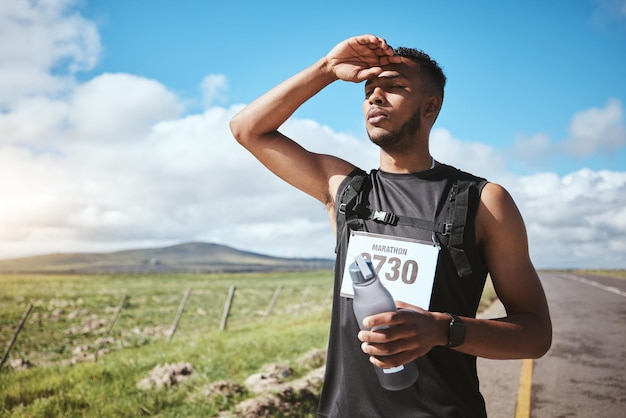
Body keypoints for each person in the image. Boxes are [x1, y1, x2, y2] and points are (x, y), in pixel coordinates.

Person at [229, 34, 552, 417]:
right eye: (368, 90)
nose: (375, 98)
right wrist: (327, 69)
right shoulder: (346, 191)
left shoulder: (483, 201)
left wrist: (441, 329)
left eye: (394, 87)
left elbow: (534, 334)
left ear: (430, 107)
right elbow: (247, 129)